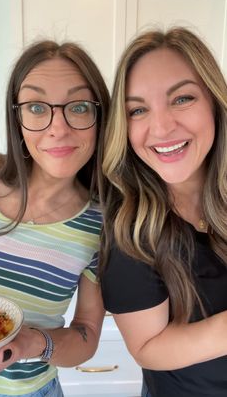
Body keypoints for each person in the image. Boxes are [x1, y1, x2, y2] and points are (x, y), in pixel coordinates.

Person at [99, 27, 227, 397]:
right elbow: (148, 348)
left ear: (215, 102)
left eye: (182, 98)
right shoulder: (131, 228)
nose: (161, 127)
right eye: (138, 109)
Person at [0, 39, 110, 396]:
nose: (58, 128)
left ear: (99, 116)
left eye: (78, 106)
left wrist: (29, 344)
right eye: (37, 107)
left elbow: (86, 334)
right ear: (18, 118)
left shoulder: (103, 226)